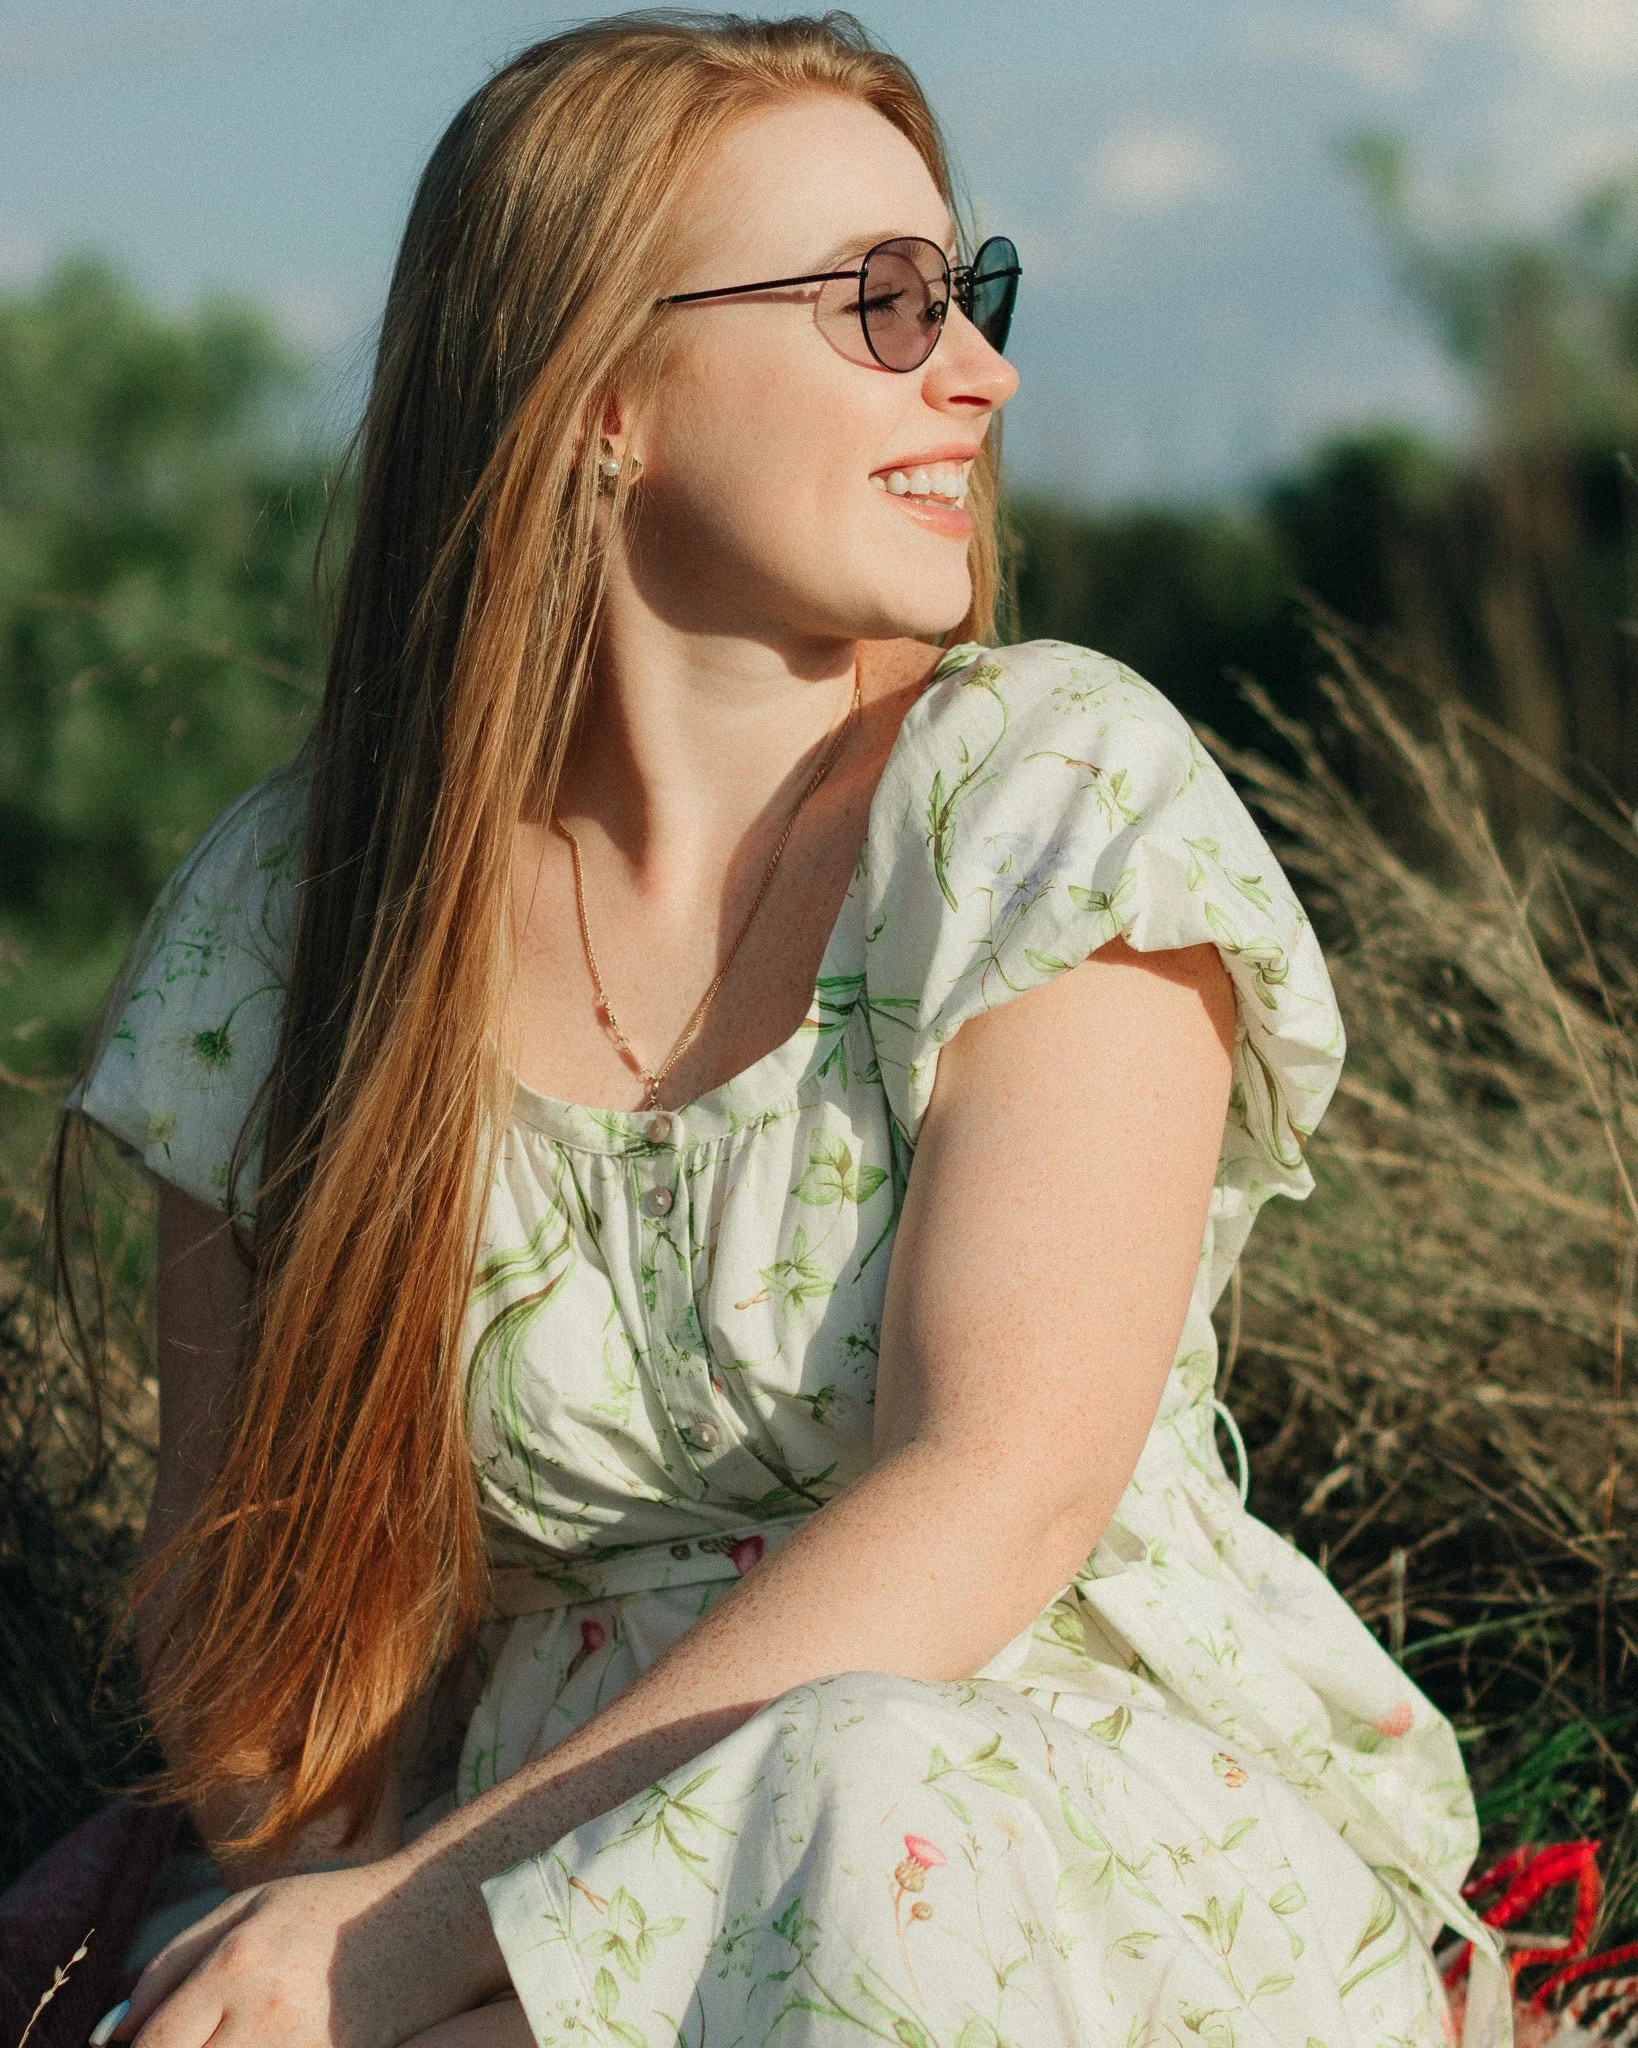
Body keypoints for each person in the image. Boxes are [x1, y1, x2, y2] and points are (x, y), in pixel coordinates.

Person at [62, 13, 1509, 2047]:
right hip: (518, 1904)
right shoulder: (291, 920)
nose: (983, 372)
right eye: (885, 306)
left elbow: (996, 1485)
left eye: (968, 295)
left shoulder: (1043, 798)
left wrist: (384, 1945)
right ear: (602, 391)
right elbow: (260, 1628)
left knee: (855, 1788)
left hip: (1051, 1820)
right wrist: (312, 1913)